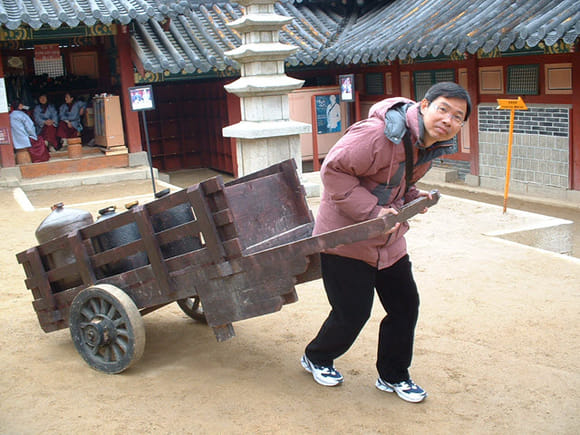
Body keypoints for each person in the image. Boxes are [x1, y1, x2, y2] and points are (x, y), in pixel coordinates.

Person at [301, 82, 471, 403]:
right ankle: (317, 357)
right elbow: (333, 171)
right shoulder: (378, 135)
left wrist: (413, 197)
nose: (448, 119)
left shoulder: (425, 145)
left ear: (461, 125)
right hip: (345, 238)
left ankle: (393, 375)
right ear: (424, 106)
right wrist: (373, 211)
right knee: (352, 313)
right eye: (443, 108)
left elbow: (397, 183)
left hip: (389, 241)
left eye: (457, 116)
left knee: (405, 306)